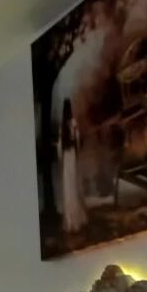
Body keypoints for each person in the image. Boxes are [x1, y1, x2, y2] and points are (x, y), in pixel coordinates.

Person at [59, 99, 88, 235]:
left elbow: (60, 146)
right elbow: (77, 139)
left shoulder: (62, 126)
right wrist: (77, 153)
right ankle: (76, 218)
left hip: (66, 157)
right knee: (74, 186)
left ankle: (70, 219)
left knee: (68, 187)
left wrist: (61, 158)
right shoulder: (73, 123)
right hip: (72, 156)